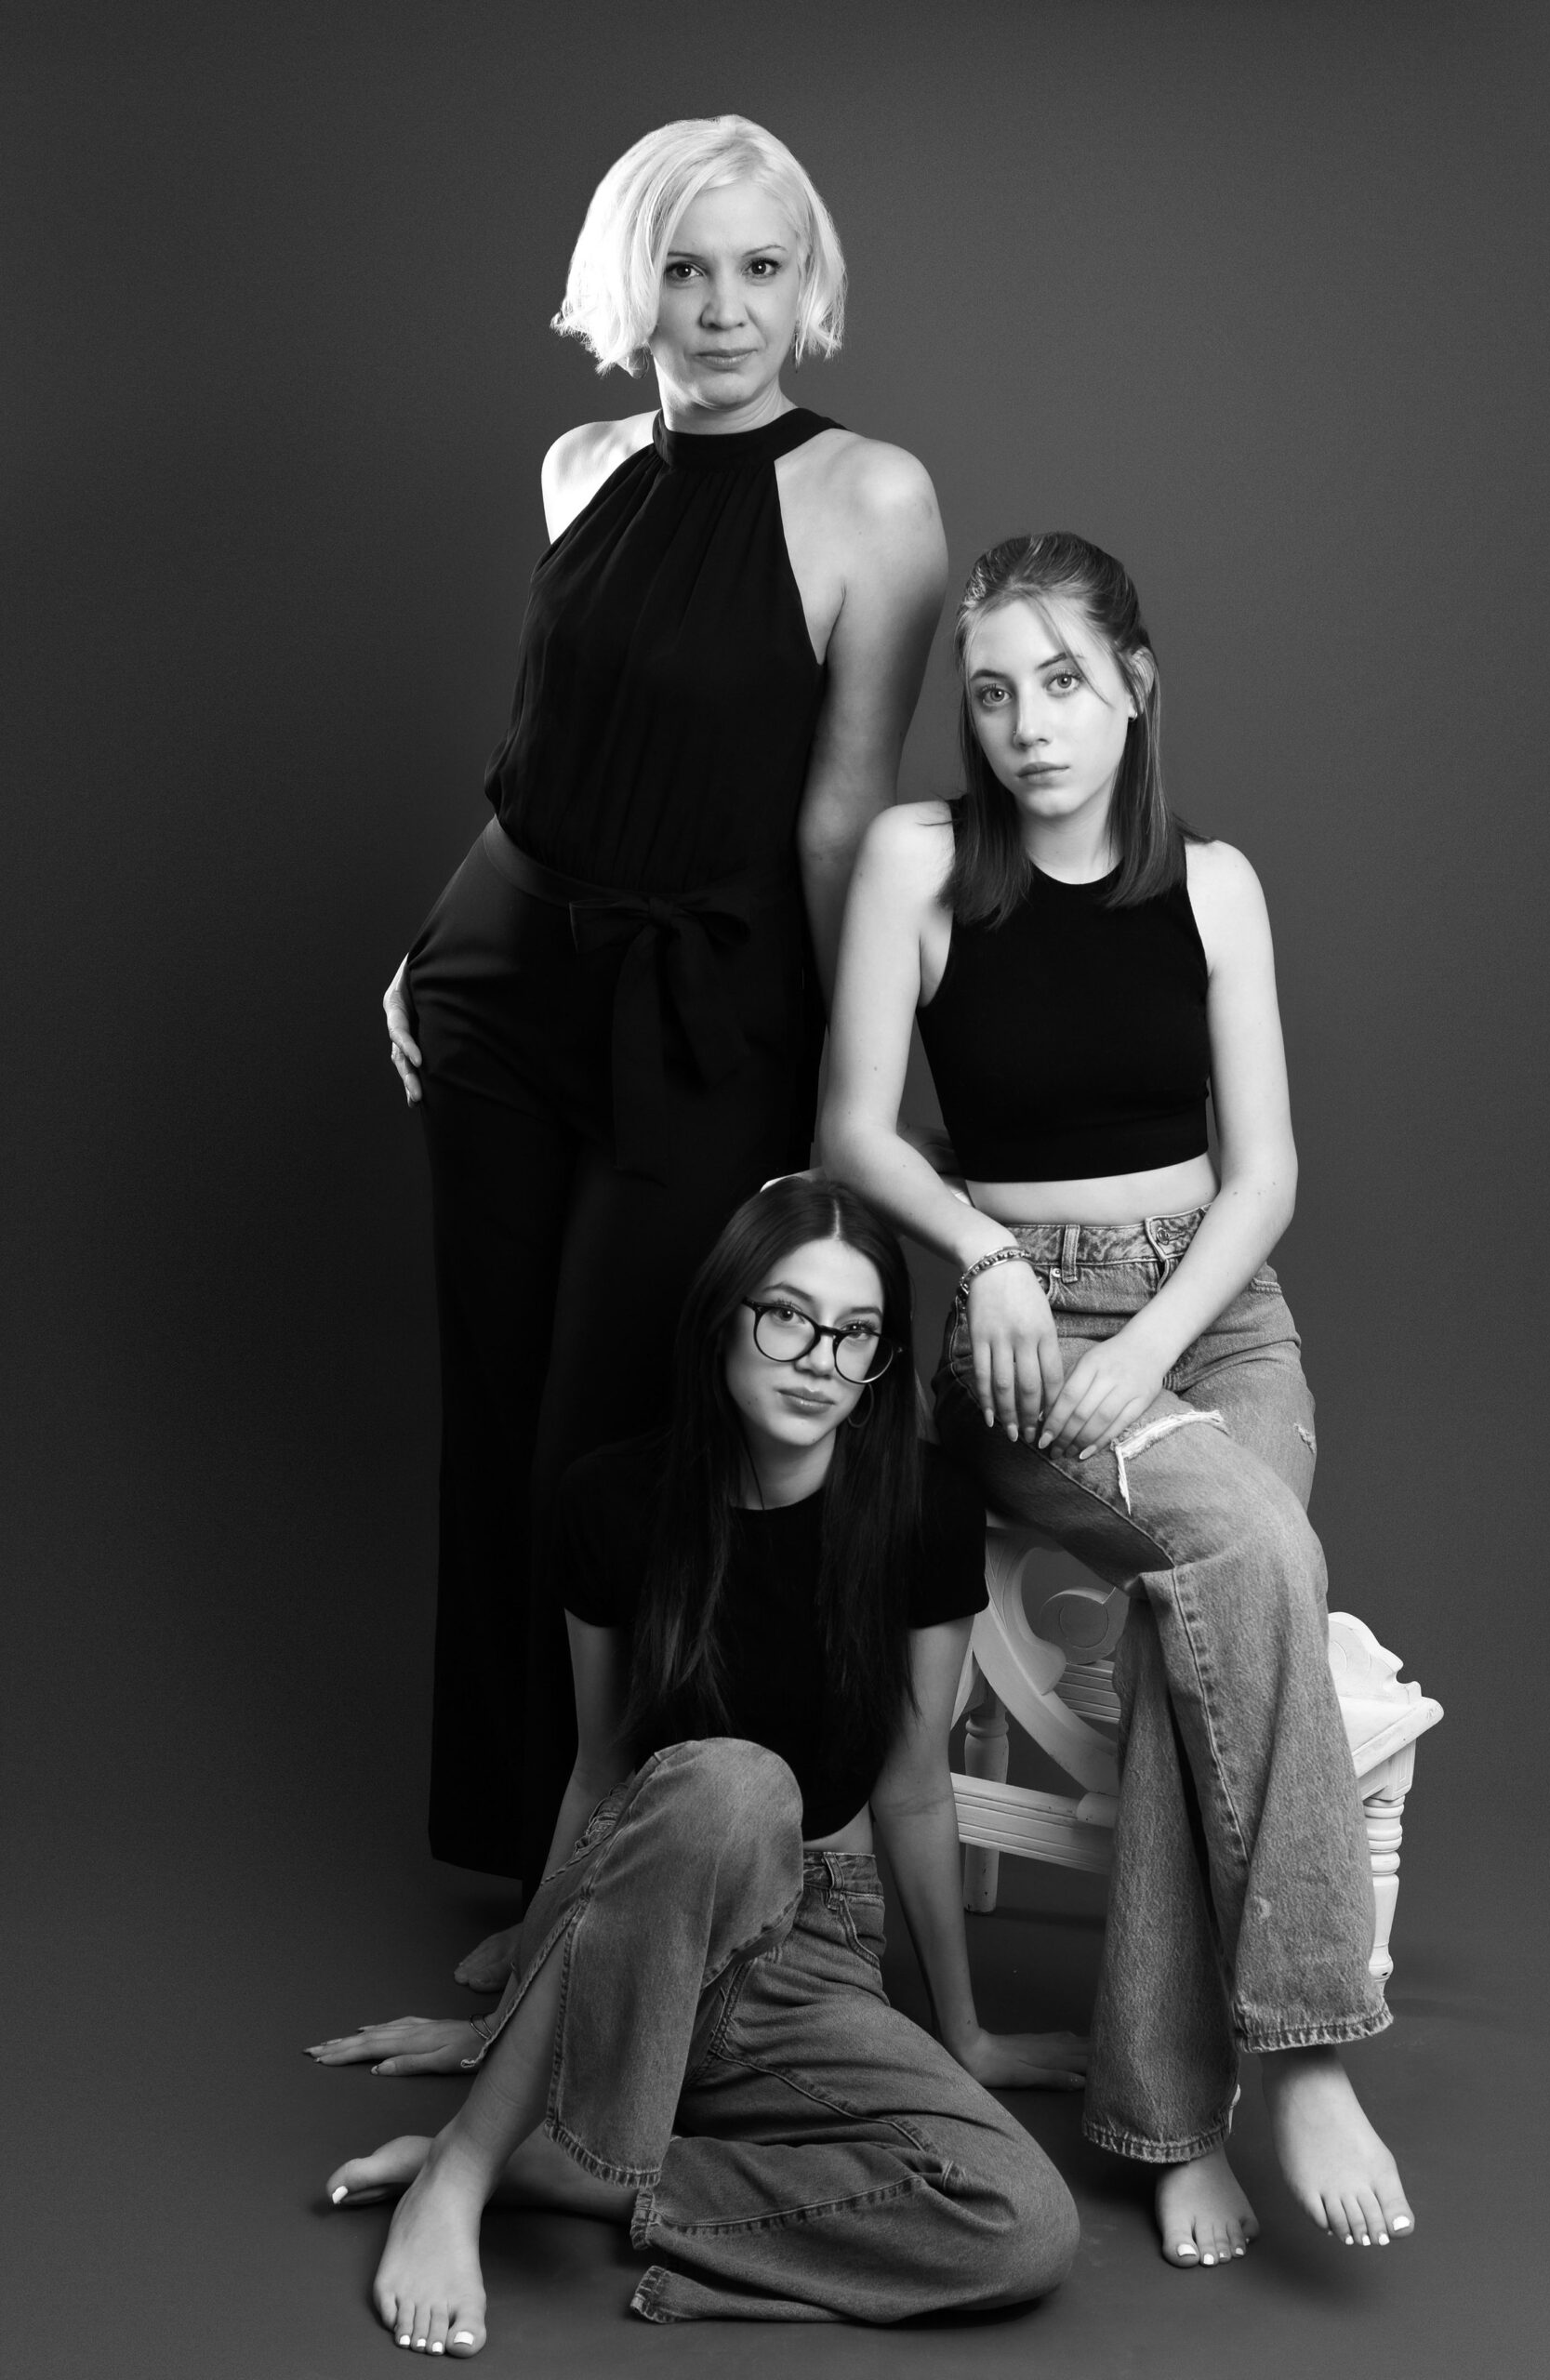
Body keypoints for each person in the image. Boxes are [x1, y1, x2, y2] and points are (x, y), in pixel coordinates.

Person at [820, 532, 1416, 2268]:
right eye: (990, 691)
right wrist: (986, 1263)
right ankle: (1295, 2046)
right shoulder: (917, 862)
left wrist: (1150, 1348)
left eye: (1061, 681)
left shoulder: (1215, 884)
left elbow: (1264, 1176)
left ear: (1134, 686)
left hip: (1217, 1331)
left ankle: (1176, 2116)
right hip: (1015, 1344)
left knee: (1204, 1595)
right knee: (1245, 1557)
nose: (1024, 725)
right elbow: (856, 1124)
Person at [382, 116, 948, 1904]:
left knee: (613, 1423)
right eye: (685, 268)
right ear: (632, 282)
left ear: (808, 284)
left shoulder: (872, 497)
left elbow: (839, 815)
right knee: (488, 1414)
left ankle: (628, 1874)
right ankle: (511, 1859)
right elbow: (553, 745)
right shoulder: (576, 464)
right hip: (504, 970)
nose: (720, 312)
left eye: (758, 269)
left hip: (705, 1005)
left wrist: (846, 1094)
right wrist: (433, 936)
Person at [308, 1180, 1084, 2350]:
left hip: (811, 1951)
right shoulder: (611, 1503)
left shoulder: (922, 1509)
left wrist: (963, 2034)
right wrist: (526, 1990)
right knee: (733, 1780)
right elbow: (601, 1771)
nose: (818, 1357)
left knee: (1023, 2222)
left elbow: (913, 1778)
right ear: (723, 1316)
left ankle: (583, 2174)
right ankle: (460, 2172)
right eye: (785, 1315)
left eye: (856, 1333)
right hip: (641, 1928)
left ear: (880, 1358)